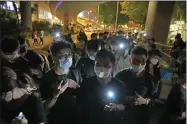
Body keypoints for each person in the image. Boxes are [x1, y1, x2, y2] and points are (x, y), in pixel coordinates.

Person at [77, 49, 127, 124]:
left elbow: (124, 105)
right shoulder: (86, 83)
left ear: (113, 66)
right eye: (98, 65)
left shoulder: (119, 85)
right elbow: (80, 105)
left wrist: (116, 107)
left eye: (106, 65)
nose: (102, 68)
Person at [40, 41, 82, 124]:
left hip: (75, 118)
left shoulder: (75, 72)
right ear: (53, 56)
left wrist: (76, 86)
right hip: (56, 119)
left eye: (69, 54)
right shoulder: (47, 78)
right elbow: (44, 107)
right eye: (62, 55)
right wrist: (55, 95)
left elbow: (83, 95)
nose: (67, 57)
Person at [115, 46, 158, 124]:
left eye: (142, 61)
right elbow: (114, 95)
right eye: (136, 61)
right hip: (122, 117)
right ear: (130, 60)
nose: (139, 64)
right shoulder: (120, 76)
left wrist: (145, 101)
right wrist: (126, 100)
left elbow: (154, 100)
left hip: (141, 117)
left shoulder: (151, 79)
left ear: (146, 62)